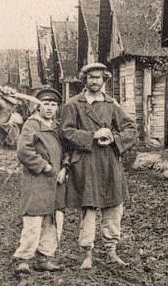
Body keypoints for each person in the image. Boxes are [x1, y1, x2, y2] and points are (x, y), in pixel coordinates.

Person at [61, 63, 137, 269]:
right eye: (91, 77)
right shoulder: (73, 104)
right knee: (89, 207)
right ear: (84, 79)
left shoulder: (112, 104)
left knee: (113, 205)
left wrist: (114, 138)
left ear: (105, 79)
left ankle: (112, 250)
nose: (95, 81)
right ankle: (87, 252)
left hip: (109, 161)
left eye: (99, 77)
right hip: (86, 162)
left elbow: (131, 129)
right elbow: (66, 132)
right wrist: (92, 135)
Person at [12, 88, 66, 274]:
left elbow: (67, 150)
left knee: (53, 220)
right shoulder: (32, 125)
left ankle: (44, 257)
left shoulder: (58, 127)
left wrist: (65, 168)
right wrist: (45, 166)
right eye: (46, 104)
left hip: (57, 182)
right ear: (38, 106)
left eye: (53, 105)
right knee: (34, 220)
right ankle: (24, 259)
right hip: (37, 181)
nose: (50, 108)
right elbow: (24, 151)